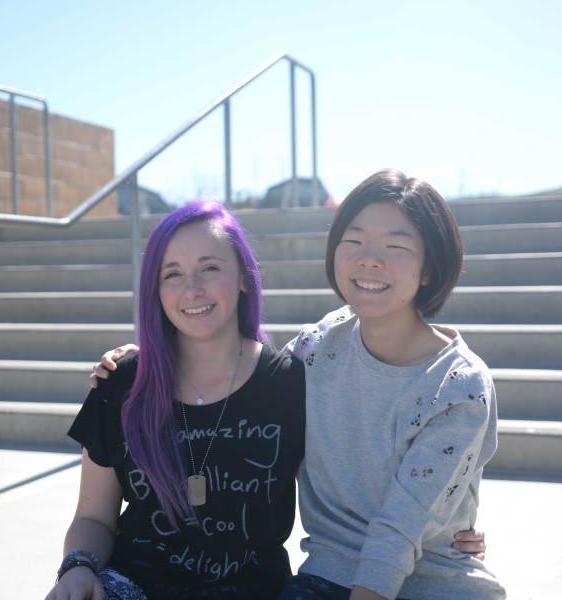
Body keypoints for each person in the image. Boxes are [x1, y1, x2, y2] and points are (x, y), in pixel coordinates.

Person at [93, 170, 501, 599]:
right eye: (354, 240)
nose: (369, 259)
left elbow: (399, 532)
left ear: (429, 269)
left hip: (433, 584)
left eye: (395, 246)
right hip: (326, 578)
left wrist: (452, 521)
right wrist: (141, 360)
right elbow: (237, 370)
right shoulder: (318, 348)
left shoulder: (459, 384)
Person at [45, 202, 307, 600]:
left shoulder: (289, 383)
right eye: (173, 274)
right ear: (156, 289)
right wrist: (77, 567)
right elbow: (93, 517)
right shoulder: (122, 383)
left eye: (210, 268)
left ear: (242, 276)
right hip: (134, 588)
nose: (192, 289)